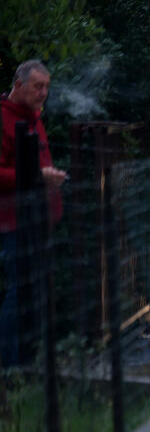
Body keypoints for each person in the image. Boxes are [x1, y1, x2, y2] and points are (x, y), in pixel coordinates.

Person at [0, 59, 67, 367]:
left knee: (37, 292)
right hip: (12, 222)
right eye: (38, 86)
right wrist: (39, 176)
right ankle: (12, 369)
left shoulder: (33, 117)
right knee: (19, 292)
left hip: (38, 220)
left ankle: (32, 364)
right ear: (18, 85)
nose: (44, 93)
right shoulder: (3, 118)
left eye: (47, 87)